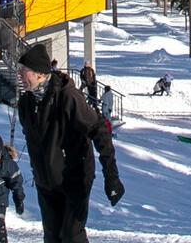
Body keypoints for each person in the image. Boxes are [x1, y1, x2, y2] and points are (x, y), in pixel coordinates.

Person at [15, 43, 123, 243]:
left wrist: (112, 177)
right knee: (52, 237)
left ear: (39, 74)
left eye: (24, 72)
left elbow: (99, 129)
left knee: (71, 236)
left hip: (74, 178)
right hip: (46, 182)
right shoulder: (26, 104)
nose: (19, 76)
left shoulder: (67, 96)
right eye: (18, 71)